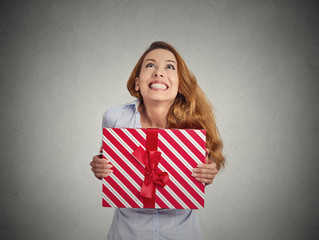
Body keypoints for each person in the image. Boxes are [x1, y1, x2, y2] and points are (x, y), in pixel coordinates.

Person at [90, 41, 225, 240]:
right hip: (127, 234)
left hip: (181, 234)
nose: (158, 72)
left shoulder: (195, 125)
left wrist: (208, 173)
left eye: (169, 66)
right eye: (150, 65)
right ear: (137, 82)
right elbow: (108, 164)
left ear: (180, 84)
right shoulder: (115, 118)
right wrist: (100, 167)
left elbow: (200, 175)